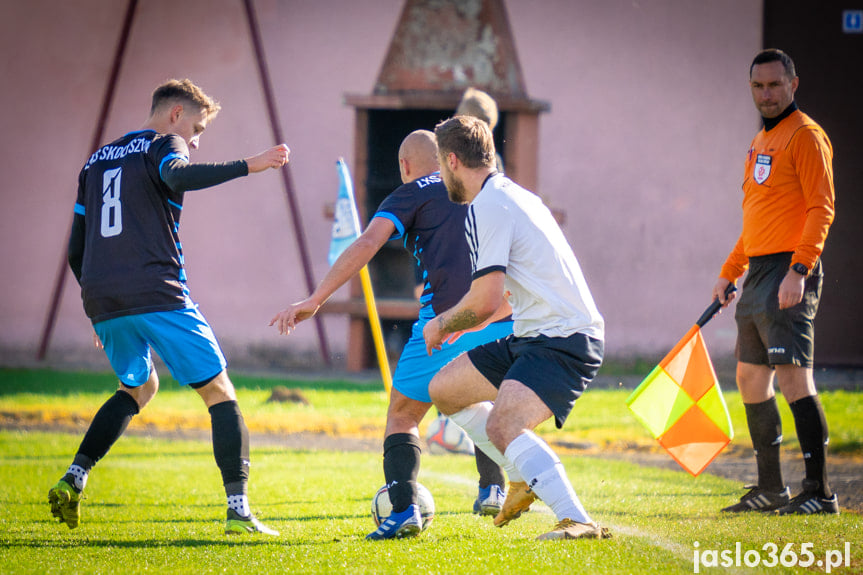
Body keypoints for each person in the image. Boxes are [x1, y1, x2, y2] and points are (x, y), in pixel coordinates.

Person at [49, 79, 289, 535]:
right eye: (197, 128)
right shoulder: (165, 143)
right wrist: (251, 165)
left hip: (102, 297)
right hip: (157, 290)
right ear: (176, 113)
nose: (195, 142)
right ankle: (238, 510)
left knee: (138, 388)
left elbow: (76, 252)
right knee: (220, 392)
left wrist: (98, 309)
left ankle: (73, 478)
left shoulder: (94, 162)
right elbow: (177, 174)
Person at [269, 130, 513, 539]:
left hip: (446, 323)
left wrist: (316, 298)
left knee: (403, 414)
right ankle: (493, 489)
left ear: (405, 166)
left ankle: (403, 512)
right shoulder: (484, 185)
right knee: (476, 400)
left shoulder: (411, 191)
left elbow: (368, 243)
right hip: (503, 318)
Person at [424, 115, 610, 541]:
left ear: (452, 160)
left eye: (439, 164)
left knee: (503, 426)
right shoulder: (512, 195)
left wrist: (442, 323)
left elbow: (487, 299)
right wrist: (466, 322)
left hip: (564, 339)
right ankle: (522, 477)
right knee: (445, 390)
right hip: (534, 333)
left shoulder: (488, 205)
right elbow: (505, 298)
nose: (439, 173)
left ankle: (577, 519)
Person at [712, 49, 837, 515]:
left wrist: (799, 270)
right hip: (759, 273)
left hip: (788, 270)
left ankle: (820, 492)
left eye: (774, 85)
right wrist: (730, 271)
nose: (766, 94)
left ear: (793, 84)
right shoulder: (760, 142)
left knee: (793, 379)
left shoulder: (805, 135)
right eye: (758, 87)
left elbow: (821, 208)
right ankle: (771, 488)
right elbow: (756, 218)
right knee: (748, 378)